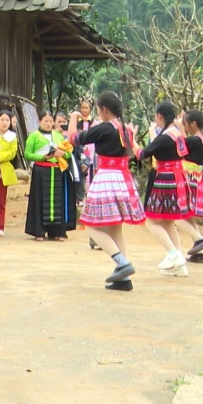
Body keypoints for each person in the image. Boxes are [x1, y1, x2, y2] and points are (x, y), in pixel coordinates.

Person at [66, 92, 144, 291]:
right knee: (115, 228)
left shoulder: (104, 128)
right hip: (123, 180)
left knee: (92, 225)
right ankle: (123, 278)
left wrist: (74, 118)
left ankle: (122, 263)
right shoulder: (126, 129)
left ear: (104, 110)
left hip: (106, 179)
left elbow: (74, 138)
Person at [140, 102, 194, 277]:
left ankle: (173, 253)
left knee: (151, 221)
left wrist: (132, 137)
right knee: (169, 222)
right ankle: (180, 265)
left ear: (159, 117)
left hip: (166, 178)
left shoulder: (165, 136)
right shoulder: (177, 133)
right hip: (178, 176)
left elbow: (141, 154)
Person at [24, 111, 73, 241]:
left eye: (51, 121)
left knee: (57, 201)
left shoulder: (58, 135)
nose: (48, 123)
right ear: (39, 121)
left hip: (57, 171)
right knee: (40, 199)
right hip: (41, 170)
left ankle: (56, 232)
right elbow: (27, 154)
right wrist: (43, 157)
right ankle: (38, 231)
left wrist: (62, 154)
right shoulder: (34, 136)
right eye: (45, 121)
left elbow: (68, 153)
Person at [176, 109, 203, 262]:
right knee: (189, 216)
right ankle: (198, 253)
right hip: (199, 178)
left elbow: (181, 149)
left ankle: (199, 239)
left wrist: (179, 129)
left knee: (177, 214)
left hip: (190, 178)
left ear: (193, 124)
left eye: (186, 124)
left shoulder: (194, 140)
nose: (185, 126)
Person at [0, 111, 18, 236]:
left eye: (7, 120)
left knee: (1, 200)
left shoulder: (12, 137)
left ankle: (0, 226)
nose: (5, 122)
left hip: (3, 170)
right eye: (2, 119)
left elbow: (12, 153)